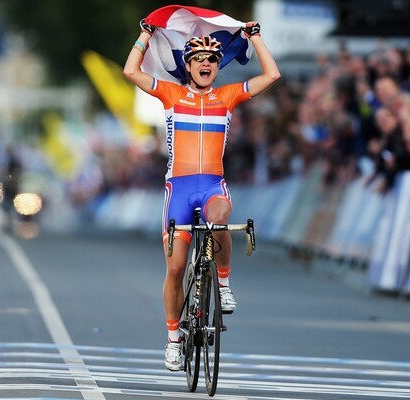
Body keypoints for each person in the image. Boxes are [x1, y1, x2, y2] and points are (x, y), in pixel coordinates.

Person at [123, 18, 280, 371]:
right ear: (189, 66)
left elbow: (271, 76)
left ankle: (223, 284)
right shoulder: (171, 93)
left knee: (220, 216)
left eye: (212, 59)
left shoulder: (227, 96)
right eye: (199, 60)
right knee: (176, 268)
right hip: (178, 188)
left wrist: (255, 39)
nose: (206, 64)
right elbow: (131, 71)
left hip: (211, 185)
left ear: (216, 66)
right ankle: (174, 339)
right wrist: (145, 35)